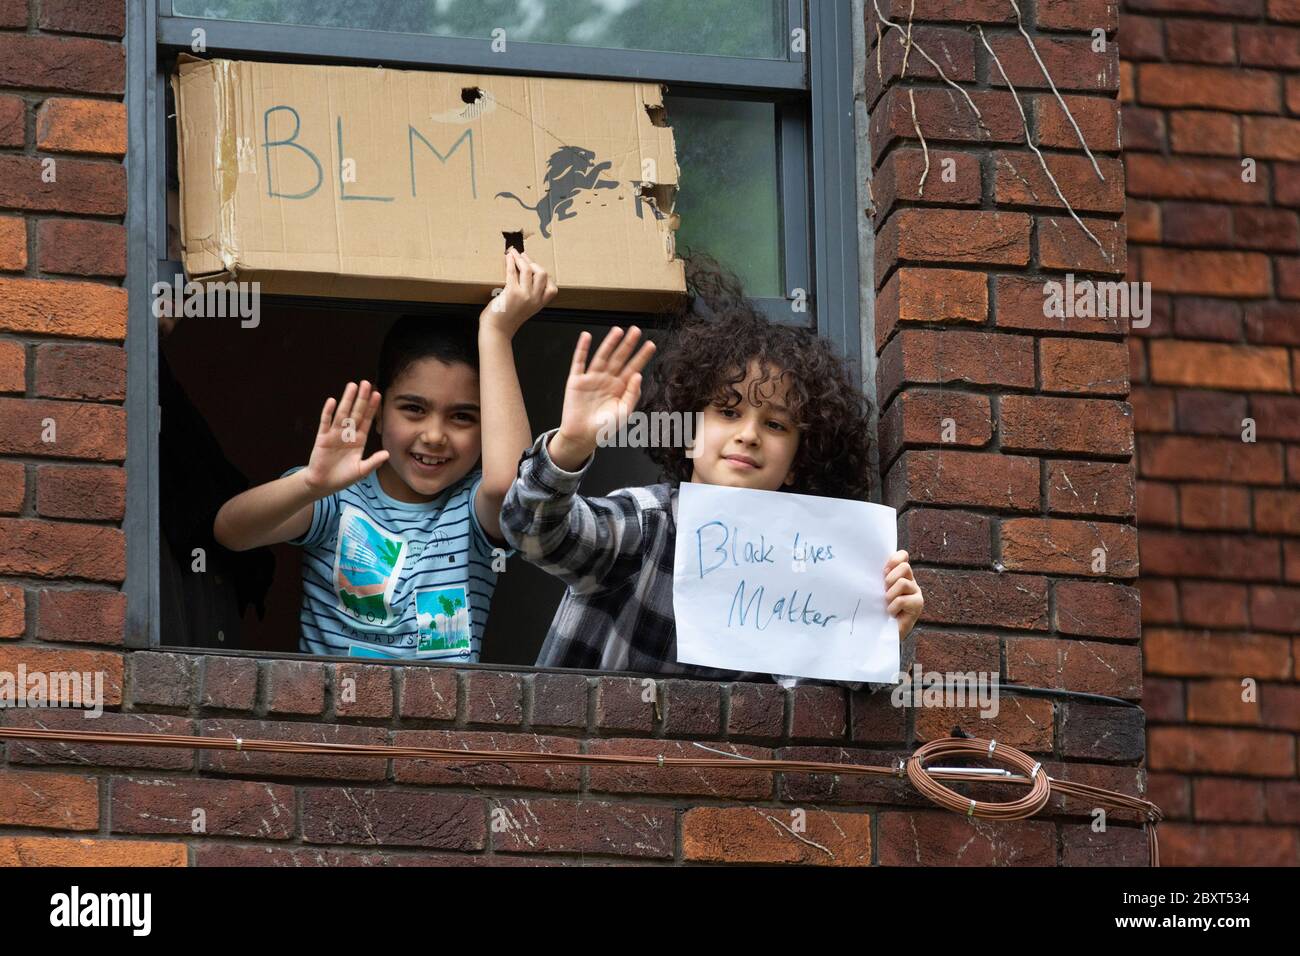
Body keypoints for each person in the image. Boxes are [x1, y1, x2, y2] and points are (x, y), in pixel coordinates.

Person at [501, 255, 923, 684]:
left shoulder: (809, 569)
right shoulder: (645, 523)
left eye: (775, 424)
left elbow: (816, 718)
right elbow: (535, 534)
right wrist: (570, 445)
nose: (749, 434)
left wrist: (876, 633)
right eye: (728, 410)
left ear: (799, 462)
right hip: (585, 750)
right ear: (687, 432)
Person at [214, 249, 555, 661]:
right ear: (378, 415)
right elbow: (230, 532)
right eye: (413, 409)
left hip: (443, 723)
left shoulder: (471, 507)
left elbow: (508, 486)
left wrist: (497, 333)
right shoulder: (337, 495)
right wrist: (308, 485)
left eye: (462, 417)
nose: (434, 435)